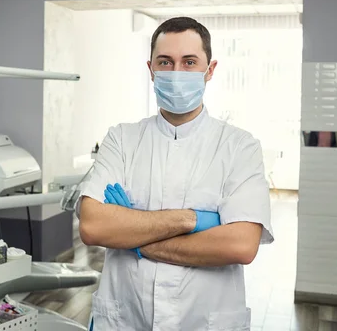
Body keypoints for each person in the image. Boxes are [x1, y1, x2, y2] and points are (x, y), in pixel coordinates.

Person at [76, 17, 274, 331]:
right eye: (165, 62)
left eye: (189, 62)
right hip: (126, 318)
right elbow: (93, 225)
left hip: (204, 321)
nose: (176, 73)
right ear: (150, 69)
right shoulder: (122, 139)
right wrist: (193, 220)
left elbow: (239, 246)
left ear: (210, 71)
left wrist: (133, 237)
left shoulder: (240, 147)